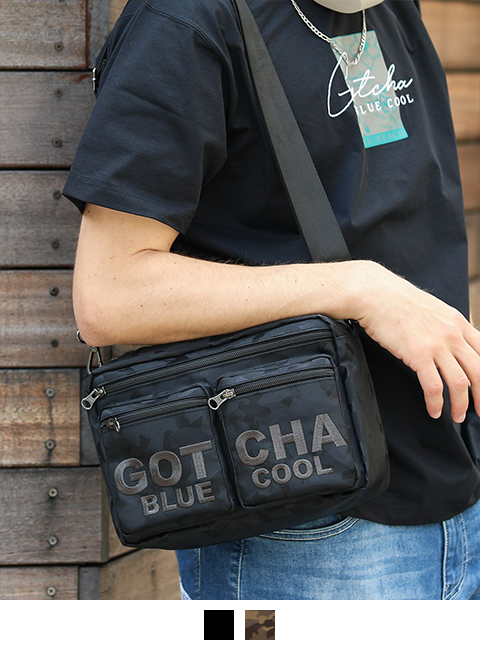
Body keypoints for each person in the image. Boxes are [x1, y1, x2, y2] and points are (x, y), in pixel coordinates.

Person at [61, 0, 480, 599]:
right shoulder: (184, 21)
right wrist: (356, 288)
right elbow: (110, 295)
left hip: (452, 486)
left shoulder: (385, 7)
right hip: (303, 521)